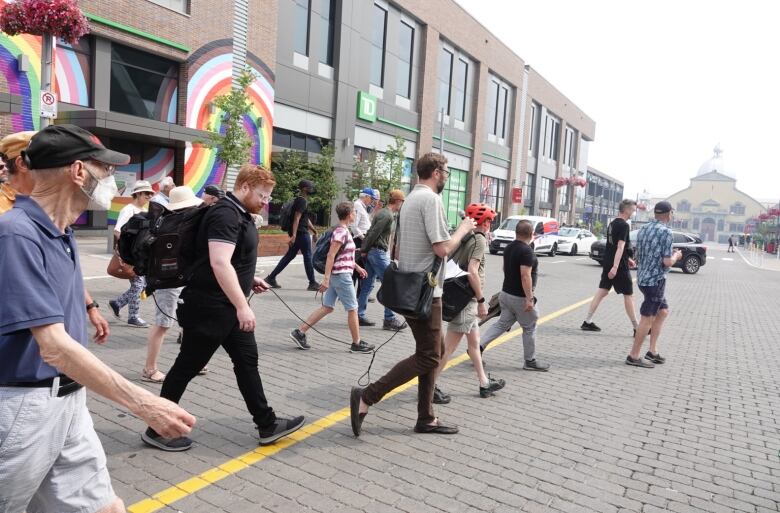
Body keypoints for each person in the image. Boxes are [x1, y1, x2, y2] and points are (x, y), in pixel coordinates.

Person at [0, 124, 195, 513]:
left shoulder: (60, 231)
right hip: (24, 410)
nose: (110, 180)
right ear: (77, 172)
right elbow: (53, 346)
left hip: (70, 402)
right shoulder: (15, 235)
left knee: (106, 508)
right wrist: (143, 403)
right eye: (103, 170)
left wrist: (90, 307)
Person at [142, 163, 304, 451]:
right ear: (244, 187)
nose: (266, 202)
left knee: (246, 361)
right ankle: (157, 428)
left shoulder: (235, 212)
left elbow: (227, 259)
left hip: (223, 307)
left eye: (268, 197)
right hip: (211, 308)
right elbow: (218, 261)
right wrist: (243, 306)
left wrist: (248, 278)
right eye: (263, 195)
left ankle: (266, 424)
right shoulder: (226, 214)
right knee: (186, 367)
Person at [349, 152, 477, 437]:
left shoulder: (409, 201)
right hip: (425, 292)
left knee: (431, 352)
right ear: (435, 172)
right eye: (446, 171)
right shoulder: (430, 200)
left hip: (411, 287)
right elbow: (443, 248)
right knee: (431, 356)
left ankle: (426, 417)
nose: (446, 176)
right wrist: (465, 229)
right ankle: (367, 396)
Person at [0, 130, 110, 344]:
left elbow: (64, 271)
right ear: (23, 163)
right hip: (32, 355)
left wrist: (89, 306)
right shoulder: (12, 222)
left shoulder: (56, 215)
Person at [434, 203, 505, 403]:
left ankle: (484, 383)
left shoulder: (465, 237)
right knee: (448, 348)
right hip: (467, 300)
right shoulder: (479, 240)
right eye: (491, 219)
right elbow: (472, 271)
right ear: (487, 221)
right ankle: (430, 386)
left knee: (474, 344)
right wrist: (482, 301)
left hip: (463, 297)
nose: (491, 223)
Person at [290, 202, 375, 353]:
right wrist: (326, 279)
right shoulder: (341, 232)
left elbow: (344, 256)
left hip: (340, 274)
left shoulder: (343, 230)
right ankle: (357, 343)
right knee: (353, 308)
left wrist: (357, 267)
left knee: (327, 307)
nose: (355, 214)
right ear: (349, 215)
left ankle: (300, 332)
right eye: (354, 212)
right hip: (341, 276)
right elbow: (331, 255)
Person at [142, 186, 205, 384]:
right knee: (162, 324)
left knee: (187, 322)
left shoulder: (175, 223)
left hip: (177, 281)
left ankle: (193, 363)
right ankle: (149, 369)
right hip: (168, 283)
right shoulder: (173, 226)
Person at [479, 219, 550, 372]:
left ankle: (477, 348)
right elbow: (525, 276)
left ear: (516, 232)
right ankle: (530, 361)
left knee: (502, 323)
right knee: (530, 326)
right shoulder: (526, 251)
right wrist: (529, 299)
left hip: (505, 294)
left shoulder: (510, 247)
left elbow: (505, 268)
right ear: (531, 234)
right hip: (520, 298)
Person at [627, 201, 682, 368]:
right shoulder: (666, 232)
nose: (672, 215)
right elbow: (667, 261)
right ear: (667, 214)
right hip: (655, 280)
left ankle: (652, 351)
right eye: (672, 212)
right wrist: (676, 256)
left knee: (662, 311)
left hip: (643, 278)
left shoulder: (644, 229)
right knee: (647, 318)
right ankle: (633, 355)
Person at [581, 199, 640, 335]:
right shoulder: (624, 225)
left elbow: (612, 246)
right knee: (629, 295)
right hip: (618, 265)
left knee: (602, 291)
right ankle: (637, 327)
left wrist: (628, 258)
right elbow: (619, 246)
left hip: (609, 262)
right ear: (626, 210)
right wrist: (616, 266)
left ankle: (587, 321)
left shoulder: (612, 224)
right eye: (632, 210)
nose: (633, 212)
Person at [356, 189, 408, 330]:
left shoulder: (384, 213)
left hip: (374, 252)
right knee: (390, 284)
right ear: (398, 201)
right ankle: (389, 319)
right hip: (377, 252)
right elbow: (373, 233)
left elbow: (372, 232)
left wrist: (365, 250)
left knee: (367, 284)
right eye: (402, 202)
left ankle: (358, 316)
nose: (402, 205)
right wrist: (364, 250)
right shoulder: (387, 215)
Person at [108, 180, 155, 328]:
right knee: (139, 283)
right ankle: (133, 316)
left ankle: (117, 303)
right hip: (130, 255)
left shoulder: (144, 210)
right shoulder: (128, 210)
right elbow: (117, 230)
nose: (149, 196)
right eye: (147, 193)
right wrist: (124, 252)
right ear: (138, 193)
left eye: (151, 194)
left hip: (139, 255)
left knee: (142, 284)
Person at [265, 179, 319, 291]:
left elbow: (305, 218)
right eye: (310, 188)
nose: (311, 190)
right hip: (301, 233)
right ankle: (312, 283)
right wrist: (294, 236)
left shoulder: (300, 200)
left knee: (290, 256)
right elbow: (297, 218)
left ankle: (271, 278)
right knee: (308, 257)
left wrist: (314, 231)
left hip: (300, 233)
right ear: (305, 188)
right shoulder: (301, 201)